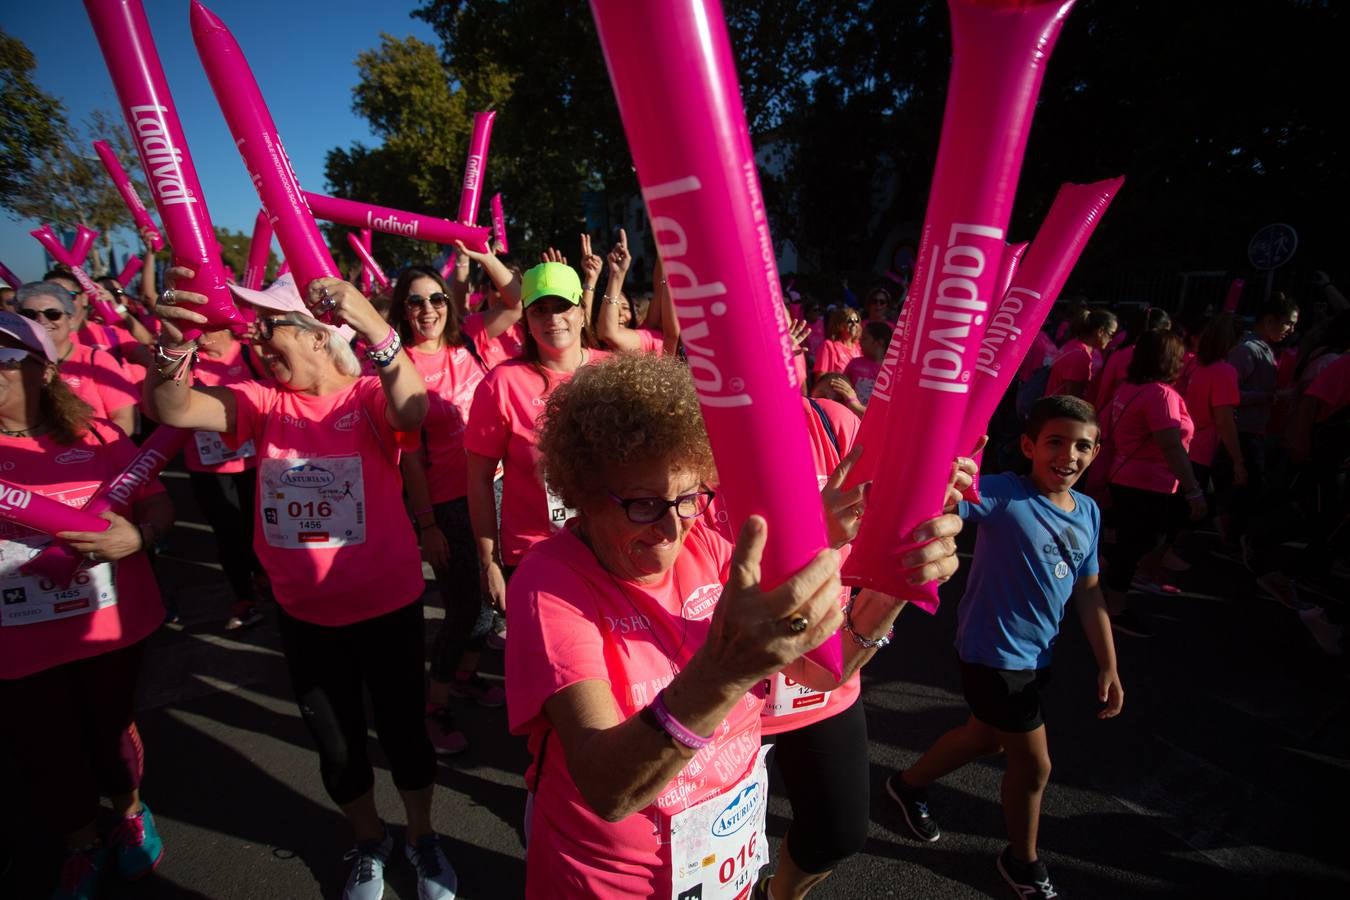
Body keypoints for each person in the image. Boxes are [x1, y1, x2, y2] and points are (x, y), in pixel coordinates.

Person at [506, 352, 965, 898]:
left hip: (726, 866)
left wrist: (893, 585)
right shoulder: (550, 582)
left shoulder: (712, 542)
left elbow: (821, 671)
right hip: (610, 884)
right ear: (580, 492)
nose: (671, 528)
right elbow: (607, 787)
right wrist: (724, 672)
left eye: (687, 498)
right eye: (643, 505)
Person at [144, 271, 457, 900]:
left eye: (273, 324)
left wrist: (373, 323)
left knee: (403, 736)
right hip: (306, 617)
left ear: (320, 339)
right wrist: (173, 340)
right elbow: (172, 407)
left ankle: (423, 840)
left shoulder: (365, 396)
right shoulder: (263, 402)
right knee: (337, 749)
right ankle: (371, 843)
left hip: (387, 607)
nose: (258, 336)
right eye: (256, 325)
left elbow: (414, 409)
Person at [885, 395, 1122, 900]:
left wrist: (1109, 663)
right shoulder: (1003, 495)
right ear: (1029, 446)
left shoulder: (1089, 512)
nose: (1069, 455)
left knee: (985, 737)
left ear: (1096, 451)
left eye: (1082, 445)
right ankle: (1022, 861)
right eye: (1055, 442)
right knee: (1036, 766)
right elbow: (943, 492)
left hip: (1038, 658)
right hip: (993, 656)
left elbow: (1089, 590)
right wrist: (945, 462)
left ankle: (905, 785)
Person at [0, 310, 174, 900]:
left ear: (42, 372)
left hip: (106, 628)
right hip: (17, 639)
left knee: (108, 728)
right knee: (44, 746)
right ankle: (79, 844)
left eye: (5, 361)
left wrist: (139, 538)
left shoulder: (99, 436)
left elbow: (156, 506)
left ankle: (128, 814)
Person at [389, 264, 498, 756]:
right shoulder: (399, 366)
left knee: (491, 604)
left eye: (436, 298)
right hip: (447, 504)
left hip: (495, 487)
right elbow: (408, 456)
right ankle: (433, 706)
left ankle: (465, 677)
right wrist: (427, 526)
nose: (427, 309)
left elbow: (515, 301)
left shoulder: (470, 342)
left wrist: (481, 253)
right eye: (415, 301)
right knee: (462, 610)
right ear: (402, 309)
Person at [464, 261, 609, 624]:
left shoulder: (612, 374)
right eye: (540, 309)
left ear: (580, 311)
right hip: (535, 555)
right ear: (525, 319)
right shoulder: (502, 384)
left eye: (562, 306)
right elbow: (479, 481)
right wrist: (489, 564)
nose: (553, 318)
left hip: (610, 548)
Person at [1100, 331, 1205, 637]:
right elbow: (1170, 445)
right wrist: (1194, 489)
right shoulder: (1161, 395)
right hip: (1149, 482)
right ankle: (1115, 606)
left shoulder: (1129, 388)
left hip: (1125, 476)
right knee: (1138, 543)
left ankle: (1107, 582)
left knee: (1128, 543)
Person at [180, 325, 270, 631]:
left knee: (261, 526)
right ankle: (244, 598)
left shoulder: (246, 351)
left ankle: (264, 578)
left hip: (255, 461)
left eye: (204, 324)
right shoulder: (188, 356)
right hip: (209, 468)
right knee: (228, 535)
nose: (197, 332)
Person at [1224, 293, 1299, 556]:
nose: (1291, 330)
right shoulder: (1247, 350)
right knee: (1245, 489)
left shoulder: (1265, 348)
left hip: (1255, 430)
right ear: (1269, 320)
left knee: (1250, 489)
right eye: (1288, 323)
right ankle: (1232, 539)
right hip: (1242, 431)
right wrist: (1270, 396)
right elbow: (1229, 395)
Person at [17, 281, 138, 436]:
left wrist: (87, 451)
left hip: (93, 454)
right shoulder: (11, 365)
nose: (41, 321)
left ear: (71, 320)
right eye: (29, 315)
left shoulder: (97, 360)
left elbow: (125, 421)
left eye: (53, 314)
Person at [1091, 306, 1170, 411]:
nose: (1169, 340)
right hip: (1114, 415)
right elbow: (1124, 395)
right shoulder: (1134, 354)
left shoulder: (1124, 351)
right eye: (1166, 334)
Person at [1044, 308, 1116, 399]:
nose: (1111, 339)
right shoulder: (1080, 355)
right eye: (1111, 334)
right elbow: (1074, 400)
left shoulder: (1073, 345)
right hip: (1059, 411)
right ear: (1100, 331)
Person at [843, 320, 890, 405]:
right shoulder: (854, 364)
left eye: (864, 338)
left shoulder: (891, 370)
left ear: (879, 343)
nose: (860, 342)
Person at [813, 307, 862, 377]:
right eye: (849, 321)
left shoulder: (859, 347)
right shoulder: (828, 346)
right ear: (839, 325)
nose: (854, 324)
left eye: (856, 320)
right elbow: (820, 378)